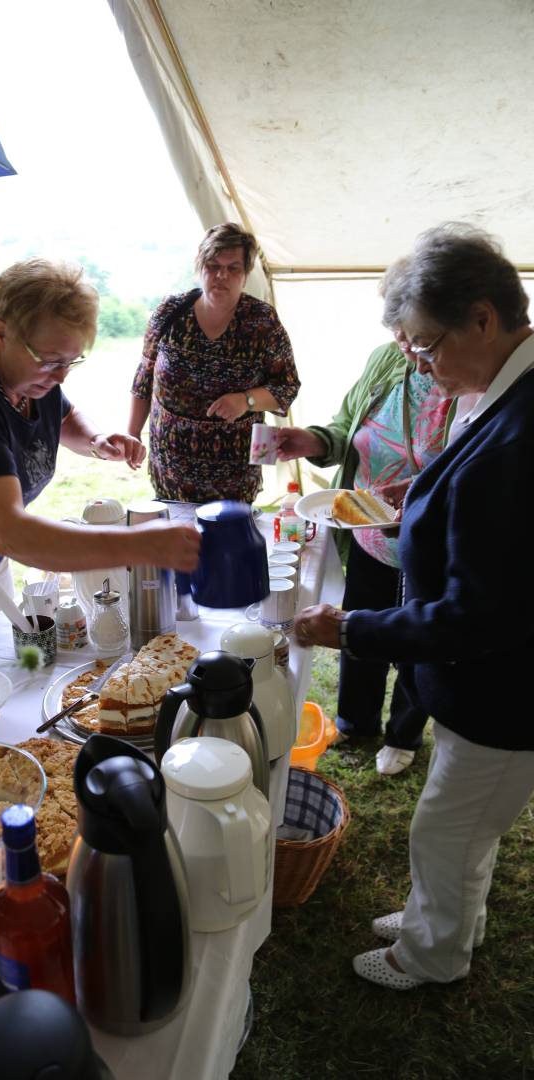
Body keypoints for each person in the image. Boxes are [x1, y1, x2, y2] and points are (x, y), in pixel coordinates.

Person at [293, 223, 534, 990]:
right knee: (462, 823)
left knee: (449, 825)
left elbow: (481, 613)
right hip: (488, 679)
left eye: (424, 346)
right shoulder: (501, 388)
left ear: (482, 318)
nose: (418, 364)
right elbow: (480, 518)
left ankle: (431, 956)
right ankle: (451, 915)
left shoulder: (520, 431)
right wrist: (410, 511)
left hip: (506, 689)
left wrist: (351, 628)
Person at [0, 258, 200, 662]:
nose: (60, 375)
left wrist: (96, 439)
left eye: (70, 361)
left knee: (9, 660)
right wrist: (140, 546)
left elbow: (63, 414)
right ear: (0, 332)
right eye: (51, 360)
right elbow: (10, 533)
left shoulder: (28, 374)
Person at [276, 329, 455, 774]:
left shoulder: (468, 378)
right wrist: (313, 441)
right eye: (397, 334)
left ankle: (404, 733)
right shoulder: (384, 360)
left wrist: (417, 502)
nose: (406, 347)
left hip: (428, 540)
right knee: (357, 621)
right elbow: (345, 428)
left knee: (416, 640)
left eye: (415, 336)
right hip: (366, 530)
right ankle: (357, 721)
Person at [127, 222, 300, 503]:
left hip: (237, 478)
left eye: (233, 268)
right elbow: (144, 378)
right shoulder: (170, 312)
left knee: (231, 545)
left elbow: (286, 388)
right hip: (171, 474)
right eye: (212, 265)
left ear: (245, 275)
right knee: (172, 543)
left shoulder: (262, 322)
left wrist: (246, 401)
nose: (222, 275)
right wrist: (133, 433)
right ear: (200, 266)